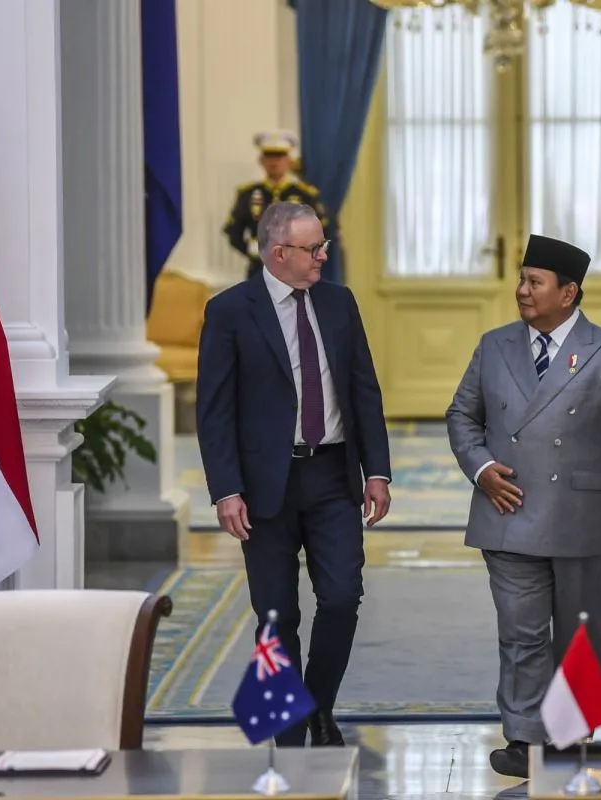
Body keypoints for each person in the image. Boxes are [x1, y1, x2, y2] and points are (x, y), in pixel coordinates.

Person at [445, 234, 601, 779]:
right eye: (521, 280)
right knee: (520, 634)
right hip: (508, 510)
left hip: (581, 518)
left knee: (578, 635)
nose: (522, 290)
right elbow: (462, 416)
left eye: (534, 282)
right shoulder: (494, 345)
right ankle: (523, 737)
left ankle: (572, 736)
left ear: (568, 293)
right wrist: (480, 467)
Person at [196, 201, 391, 747]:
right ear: (280, 253)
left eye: (322, 245)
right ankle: (286, 727)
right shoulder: (231, 311)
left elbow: (364, 388)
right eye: (314, 248)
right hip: (264, 486)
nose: (324, 255)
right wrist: (226, 489)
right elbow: (214, 410)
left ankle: (319, 706)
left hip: (332, 476)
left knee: (341, 596)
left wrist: (377, 471)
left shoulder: (339, 302)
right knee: (276, 614)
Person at [222, 131, 328, 281]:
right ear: (261, 161)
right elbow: (234, 232)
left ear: (289, 161)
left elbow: (321, 231)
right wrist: (251, 250)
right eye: (269, 157)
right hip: (260, 270)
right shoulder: (248, 194)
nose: (274, 162)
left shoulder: (305, 195)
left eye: (279, 156)